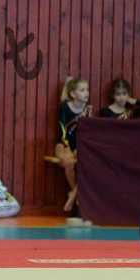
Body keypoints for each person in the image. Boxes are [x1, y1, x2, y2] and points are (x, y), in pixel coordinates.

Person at [55, 77, 90, 213]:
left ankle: (73, 195)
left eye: (87, 90)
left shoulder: (88, 109)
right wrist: (68, 148)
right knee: (68, 162)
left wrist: (78, 149)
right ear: (73, 94)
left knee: (89, 164)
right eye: (82, 90)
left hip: (80, 146)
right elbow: (63, 129)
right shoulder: (65, 107)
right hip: (63, 144)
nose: (86, 93)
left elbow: (88, 133)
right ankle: (75, 192)